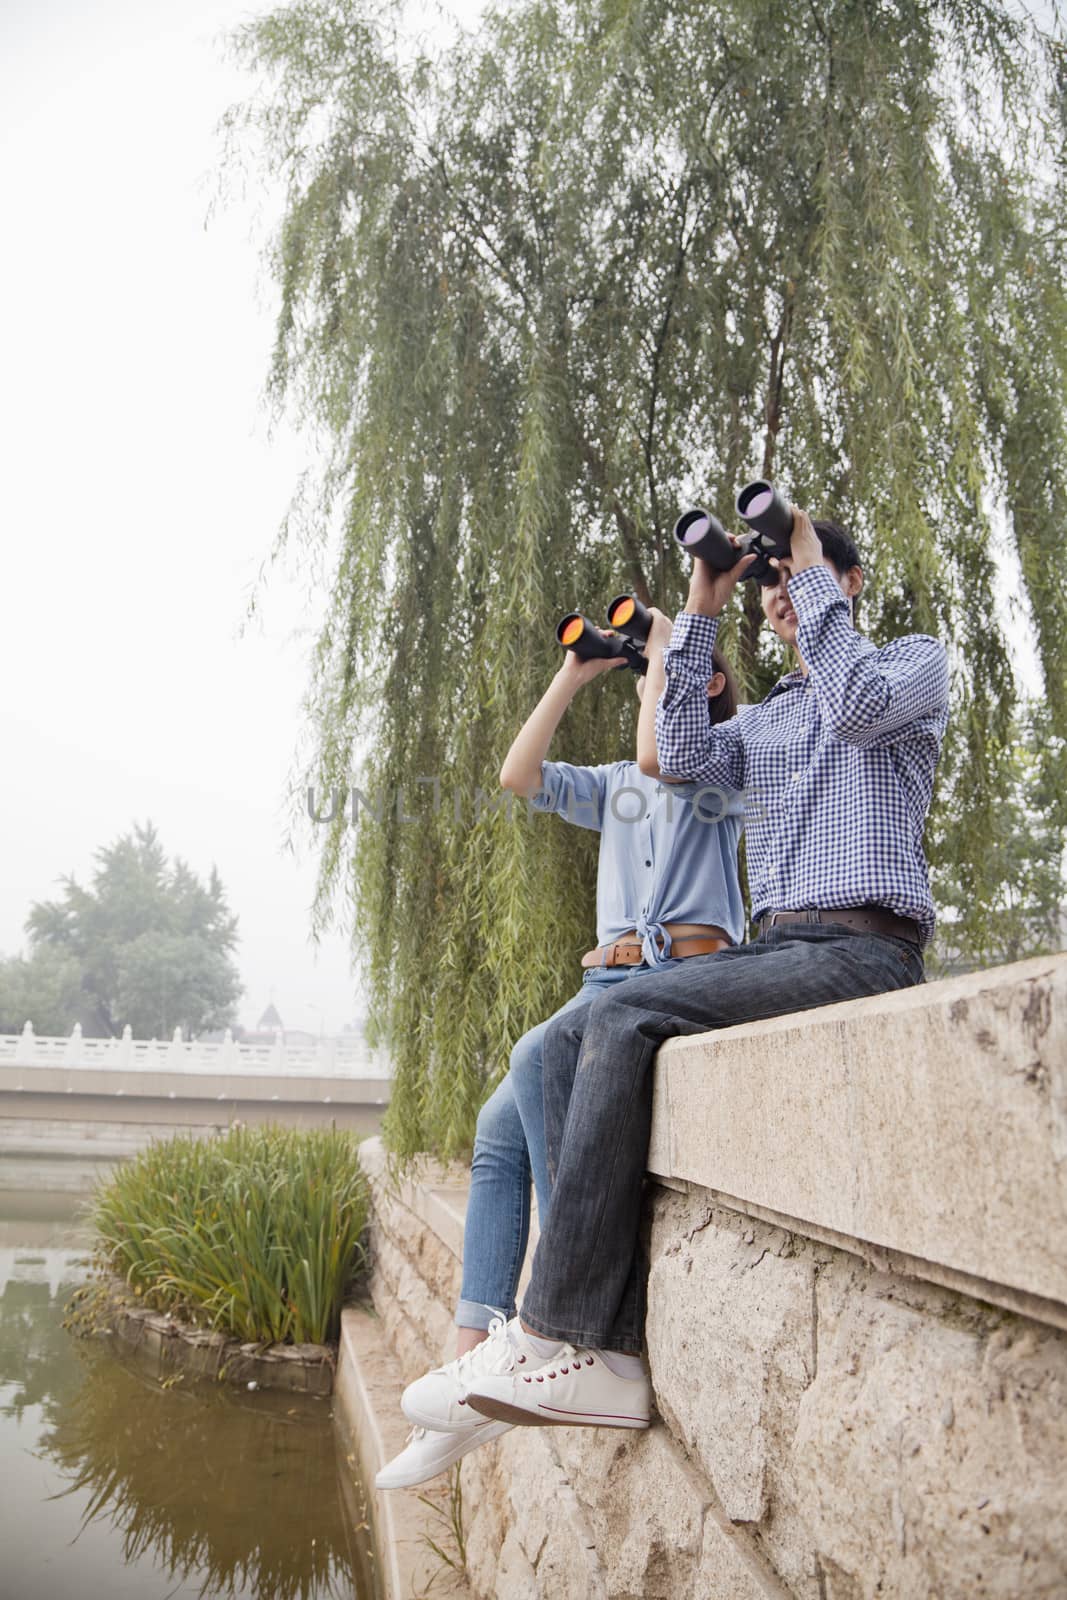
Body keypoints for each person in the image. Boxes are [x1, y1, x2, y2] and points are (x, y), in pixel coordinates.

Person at [461, 506, 949, 1431]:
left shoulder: (910, 665)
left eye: (794, 579)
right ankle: (594, 1347)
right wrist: (701, 599)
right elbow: (676, 754)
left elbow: (851, 704)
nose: (780, 598)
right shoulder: (763, 725)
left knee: (619, 1018)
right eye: (769, 587)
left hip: (865, 950)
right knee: (562, 1044)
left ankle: (559, 1329)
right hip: (780, 948)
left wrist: (802, 553)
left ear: (843, 584)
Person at [375, 618, 746, 1488]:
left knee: (531, 1054)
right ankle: (472, 1360)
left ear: (704, 690)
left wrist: (668, 647)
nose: (646, 693)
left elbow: (671, 745)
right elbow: (518, 774)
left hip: (678, 977)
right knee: (496, 1126)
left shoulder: (720, 766)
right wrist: (575, 674)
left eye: (663, 679)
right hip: (601, 984)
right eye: (645, 682)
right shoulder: (616, 786)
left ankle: (557, 1316)